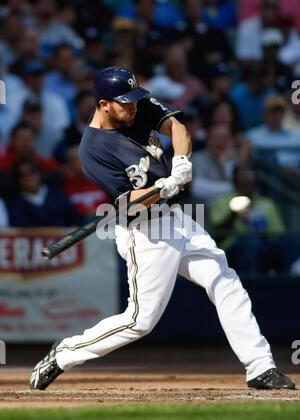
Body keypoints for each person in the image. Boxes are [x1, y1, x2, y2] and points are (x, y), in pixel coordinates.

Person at [29, 66, 295, 391]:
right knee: (140, 321)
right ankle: (64, 354)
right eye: (124, 103)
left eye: (133, 100)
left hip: (177, 218)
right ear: (103, 105)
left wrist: (181, 160)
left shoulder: (135, 107)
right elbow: (130, 202)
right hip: (145, 231)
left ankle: (260, 367)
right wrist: (163, 188)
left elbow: (176, 125)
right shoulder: (93, 149)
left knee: (225, 281)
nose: (133, 107)